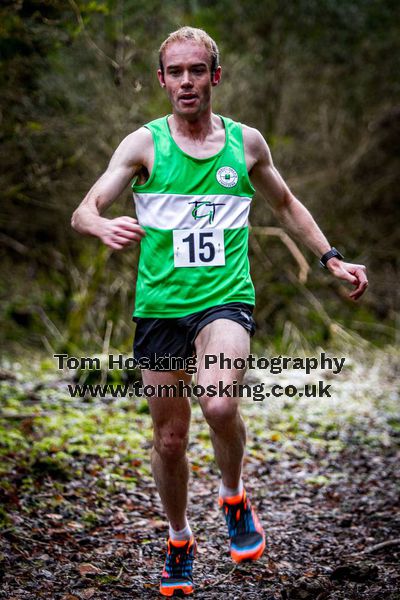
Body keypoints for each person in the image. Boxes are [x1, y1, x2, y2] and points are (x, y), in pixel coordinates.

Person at [71, 26, 368, 597]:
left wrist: (329, 257)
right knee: (170, 440)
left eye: (197, 71)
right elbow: (85, 208)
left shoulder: (246, 143)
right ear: (161, 80)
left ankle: (233, 495)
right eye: (175, 72)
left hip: (225, 300)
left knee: (220, 400)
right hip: (159, 308)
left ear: (215, 76)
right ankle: (179, 537)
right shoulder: (143, 146)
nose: (187, 81)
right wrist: (99, 223)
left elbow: (284, 201)